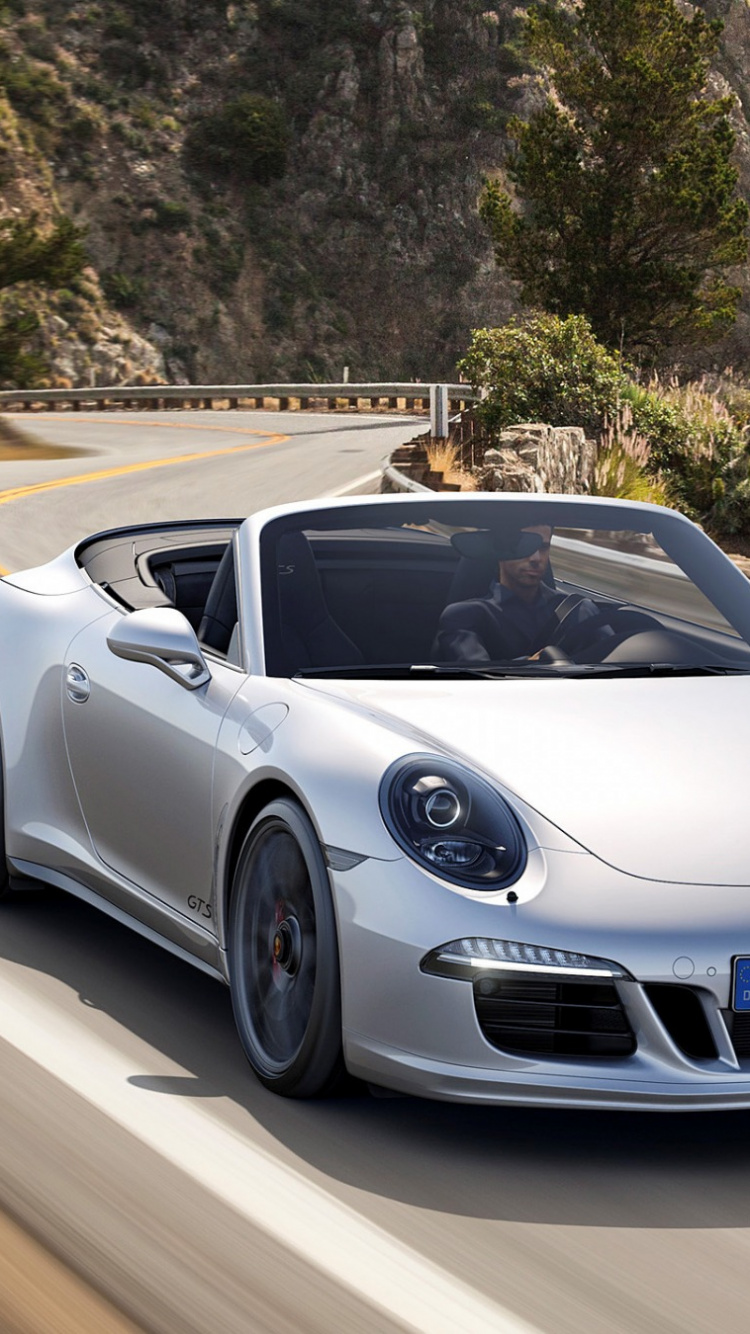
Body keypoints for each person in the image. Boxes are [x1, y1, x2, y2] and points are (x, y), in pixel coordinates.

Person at [432, 523, 609, 663]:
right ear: (500, 549)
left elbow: (615, 660)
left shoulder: (578, 609)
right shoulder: (464, 616)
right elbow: (476, 680)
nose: (536, 558)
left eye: (543, 548)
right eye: (526, 546)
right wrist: (533, 664)